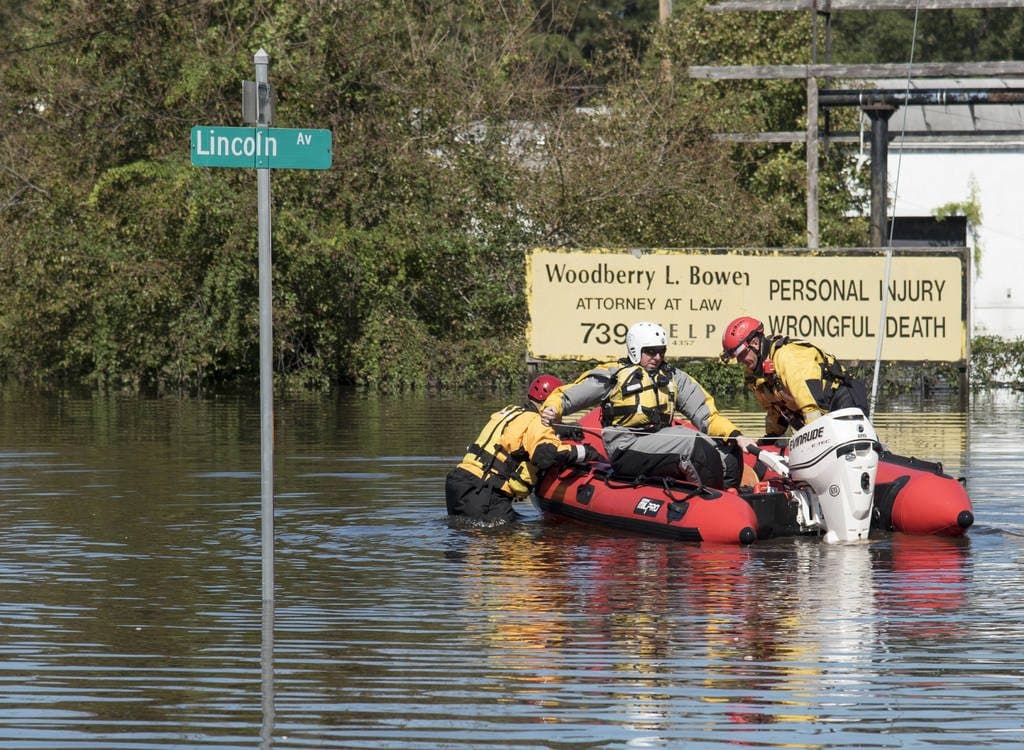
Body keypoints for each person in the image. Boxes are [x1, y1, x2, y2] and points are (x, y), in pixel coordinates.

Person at [539, 321, 748, 489]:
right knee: (693, 444)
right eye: (650, 352)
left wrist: (734, 435)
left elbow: (707, 415)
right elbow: (568, 395)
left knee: (728, 450)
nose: (657, 357)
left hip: (661, 439)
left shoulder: (674, 377)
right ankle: (712, 502)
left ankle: (729, 499)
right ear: (635, 350)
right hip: (626, 447)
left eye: (661, 351)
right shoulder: (614, 375)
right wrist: (553, 408)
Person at [446, 374, 602, 523]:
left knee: (467, 533)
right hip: (483, 490)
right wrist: (584, 452)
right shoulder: (538, 422)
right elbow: (545, 456)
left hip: (459, 481)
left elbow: (518, 434)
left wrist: (564, 430)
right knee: (502, 536)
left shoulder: (510, 411)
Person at [720, 316, 871, 439]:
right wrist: (771, 438)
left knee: (851, 448)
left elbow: (811, 409)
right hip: (816, 418)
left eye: (741, 354)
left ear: (755, 343)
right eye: (735, 357)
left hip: (841, 400)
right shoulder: (753, 375)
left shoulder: (787, 357)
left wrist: (813, 443)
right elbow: (775, 411)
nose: (740, 360)